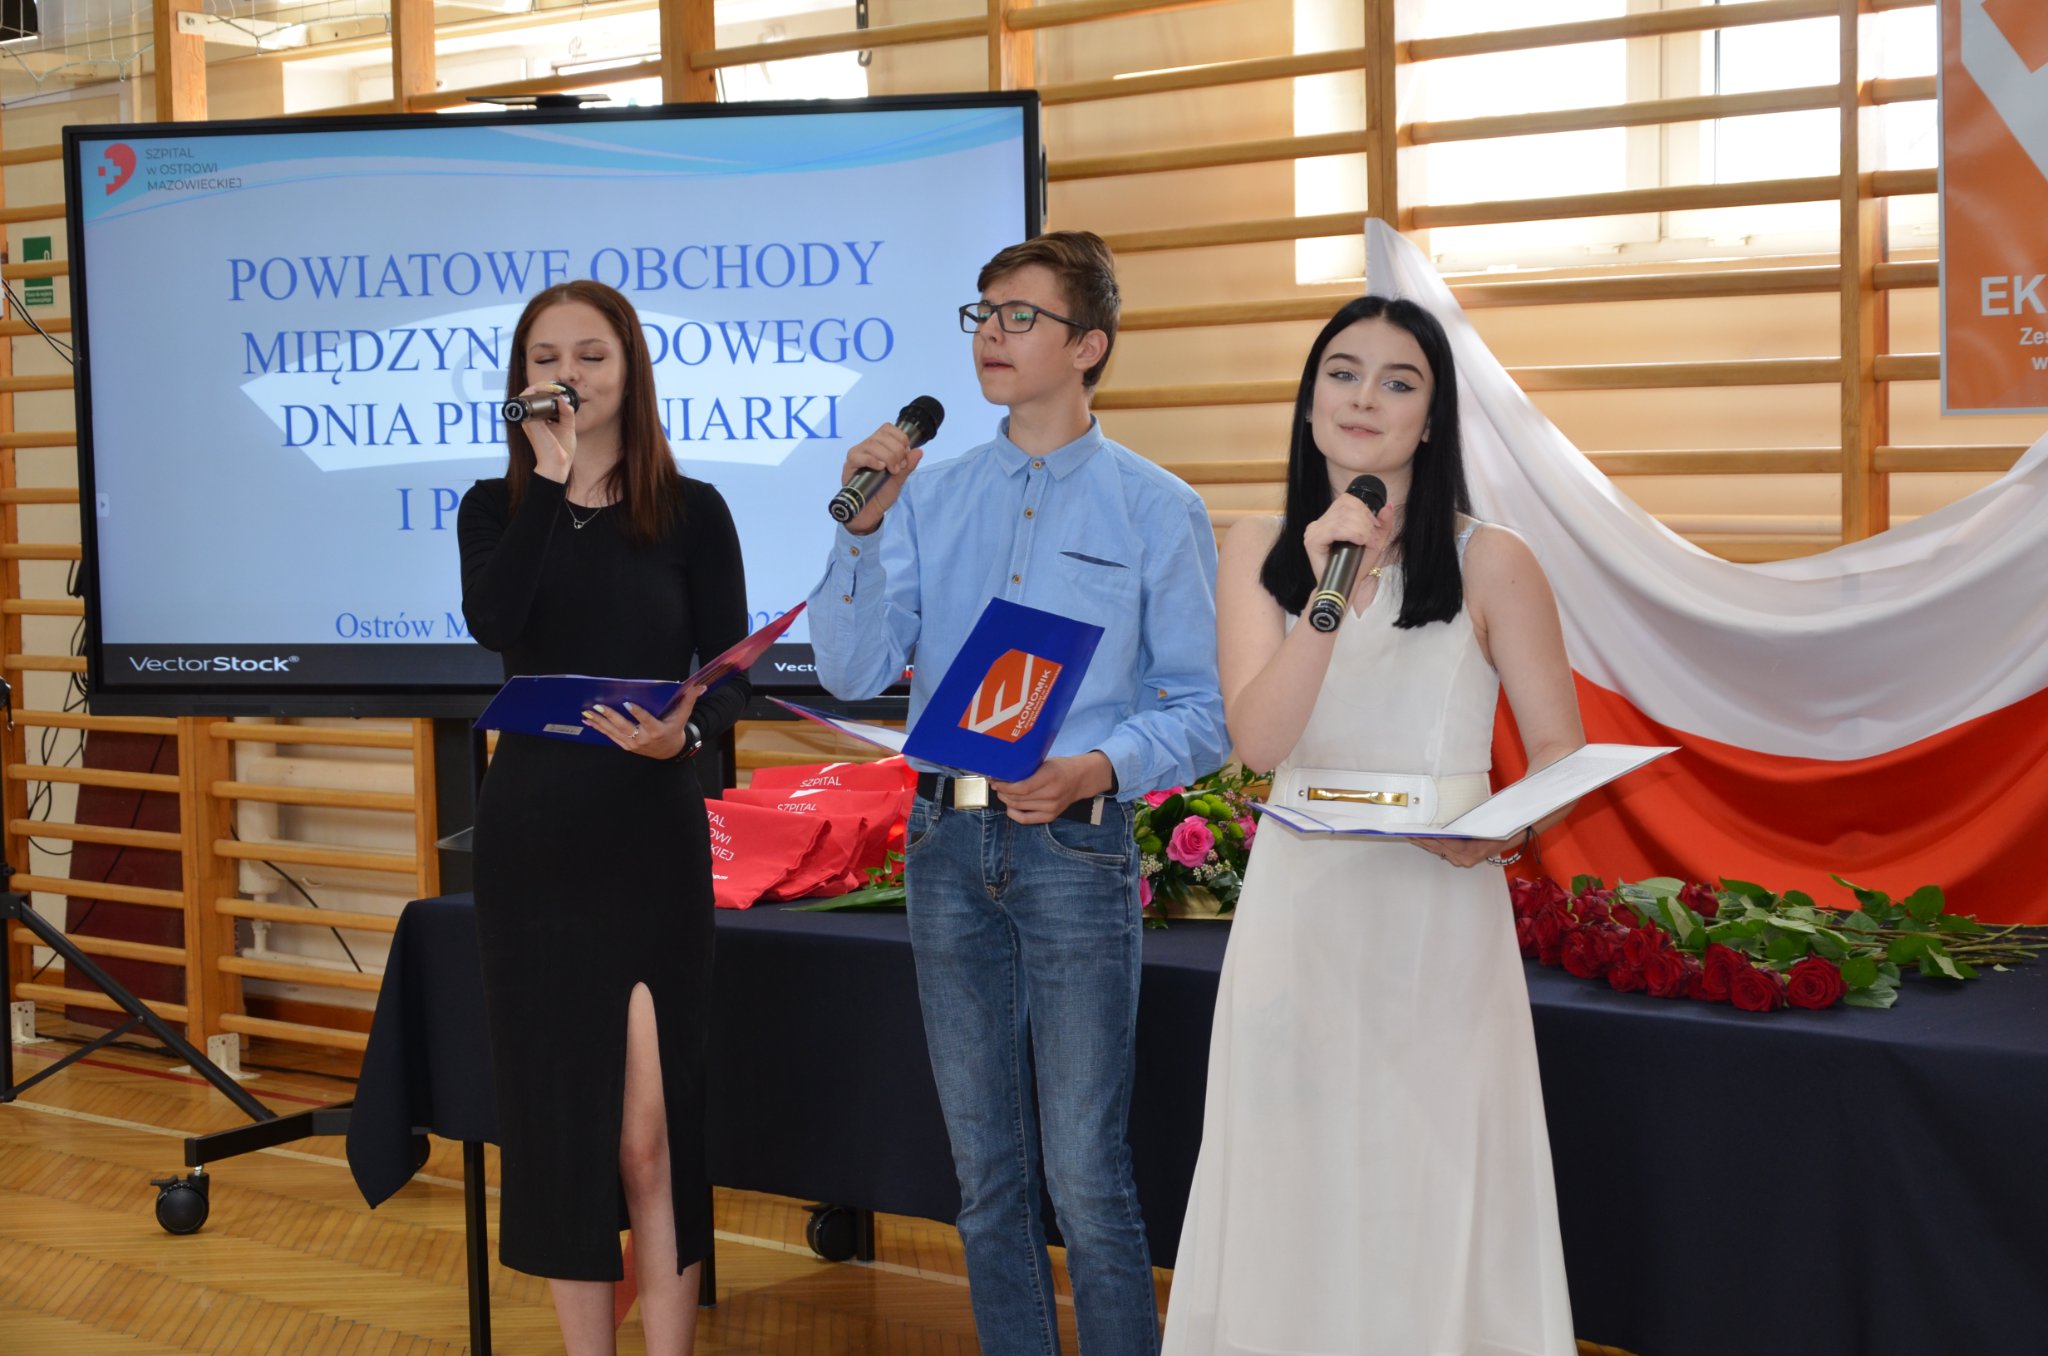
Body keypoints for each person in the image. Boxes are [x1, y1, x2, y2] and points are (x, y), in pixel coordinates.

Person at [808, 230, 1230, 1356]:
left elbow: (1205, 708)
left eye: (1020, 316)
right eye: (982, 313)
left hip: (1075, 848)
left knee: (1086, 1174)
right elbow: (851, 669)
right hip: (945, 844)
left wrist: (1099, 764)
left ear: (1089, 346)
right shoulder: (927, 495)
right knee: (985, 1176)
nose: (991, 334)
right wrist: (860, 534)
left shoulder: (1155, 508)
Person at [1161, 296, 1587, 1356]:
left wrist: (1502, 830)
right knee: (1288, 1167)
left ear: (1431, 419)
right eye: (1342, 373)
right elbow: (1260, 742)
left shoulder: (1493, 559)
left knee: (1425, 1173)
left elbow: (1558, 752)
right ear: (1309, 402)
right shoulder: (1258, 546)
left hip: (1435, 907)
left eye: (1399, 382)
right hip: (1298, 912)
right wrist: (1323, 594)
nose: (1364, 398)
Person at [458, 280, 749, 1356]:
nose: (567, 375)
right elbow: (496, 619)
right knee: (559, 1137)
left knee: (646, 1135)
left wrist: (689, 731)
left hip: (649, 838)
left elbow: (730, 673)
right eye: (546, 358)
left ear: (629, 368)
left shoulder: (691, 510)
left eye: (590, 355)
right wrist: (547, 481)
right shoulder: (495, 507)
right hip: (533, 846)